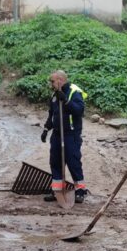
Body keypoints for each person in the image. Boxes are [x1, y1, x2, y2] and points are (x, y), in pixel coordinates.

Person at [41, 70, 88, 204]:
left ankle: (80, 191)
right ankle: (57, 191)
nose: (51, 84)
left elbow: (79, 111)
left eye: (52, 81)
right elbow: (52, 114)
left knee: (73, 163)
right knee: (55, 162)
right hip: (56, 134)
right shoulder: (54, 95)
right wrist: (46, 128)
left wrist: (66, 101)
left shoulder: (74, 92)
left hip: (70, 134)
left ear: (60, 80)